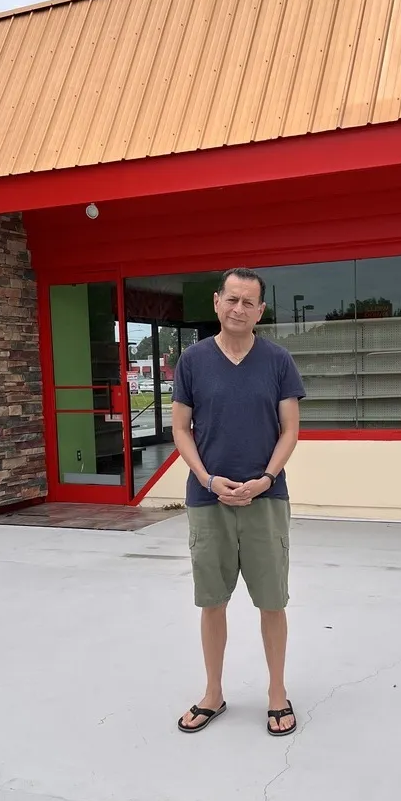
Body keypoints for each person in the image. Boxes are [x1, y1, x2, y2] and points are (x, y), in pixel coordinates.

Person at [172, 268, 306, 738]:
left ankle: (277, 693)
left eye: (249, 303)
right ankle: (213, 693)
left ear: (260, 311)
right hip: (208, 500)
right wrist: (208, 480)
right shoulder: (192, 362)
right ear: (216, 301)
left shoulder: (278, 361)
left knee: (272, 601)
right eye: (232, 299)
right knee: (213, 602)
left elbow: (290, 428)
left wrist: (265, 478)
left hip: (266, 499)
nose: (239, 309)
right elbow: (180, 430)